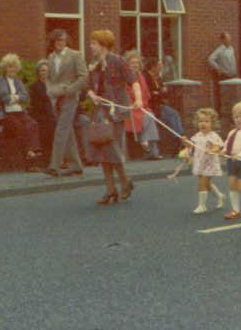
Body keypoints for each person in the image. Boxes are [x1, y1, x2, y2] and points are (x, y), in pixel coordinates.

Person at [86, 29, 142, 206]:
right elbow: (88, 86)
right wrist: (91, 95)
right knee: (102, 149)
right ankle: (112, 189)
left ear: (103, 44)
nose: (91, 46)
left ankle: (124, 183)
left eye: (94, 43)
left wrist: (138, 99)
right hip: (100, 110)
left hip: (116, 111)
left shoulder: (118, 61)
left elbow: (133, 81)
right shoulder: (94, 63)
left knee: (113, 148)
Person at [45, 28, 88, 177]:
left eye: (62, 40)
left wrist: (69, 90)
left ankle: (54, 166)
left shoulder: (75, 55)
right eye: (57, 40)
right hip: (56, 99)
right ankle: (76, 165)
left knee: (61, 130)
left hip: (70, 98)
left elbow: (83, 77)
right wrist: (50, 90)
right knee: (67, 131)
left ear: (66, 41)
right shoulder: (50, 58)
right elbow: (49, 79)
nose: (60, 43)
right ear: (53, 42)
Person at [0, 53, 42, 166]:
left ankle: (34, 150)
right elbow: (4, 98)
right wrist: (17, 97)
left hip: (19, 111)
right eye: (9, 66)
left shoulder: (18, 80)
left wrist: (14, 97)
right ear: (5, 68)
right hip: (6, 113)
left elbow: (25, 96)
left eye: (14, 66)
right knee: (19, 127)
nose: (12, 69)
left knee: (32, 124)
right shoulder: (1, 81)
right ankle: (29, 152)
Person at [184, 108, 226, 214]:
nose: (203, 124)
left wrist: (211, 150)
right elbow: (191, 145)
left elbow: (218, 147)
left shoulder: (213, 136)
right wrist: (185, 141)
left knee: (202, 183)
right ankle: (220, 196)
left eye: (206, 121)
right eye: (200, 121)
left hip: (209, 164)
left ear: (212, 123)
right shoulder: (197, 135)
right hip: (200, 162)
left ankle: (202, 206)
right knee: (206, 184)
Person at [124, 51, 161, 160]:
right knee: (148, 117)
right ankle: (150, 149)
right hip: (131, 107)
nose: (135, 65)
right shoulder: (126, 77)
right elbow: (127, 93)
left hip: (142, 106)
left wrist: (143, 102)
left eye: (137, 63)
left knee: (149, 115)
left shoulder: (141, 76)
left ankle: (148, 146)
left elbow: (146, 94)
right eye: (132, 63)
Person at [143, 58, 184, 142]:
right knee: (172, 115)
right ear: (153, 67)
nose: (161, 67)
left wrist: (158, 93)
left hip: (159, 105)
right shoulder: (145, 77)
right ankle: (179, 139)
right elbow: (149, 94)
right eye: (159, 66)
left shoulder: (158, 78)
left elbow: (165, 93)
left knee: (174, 114)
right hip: (151, 107)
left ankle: (180, 137)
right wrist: (159, 93)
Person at [28, 60, 57, 166]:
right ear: (38, 72)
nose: (45, 73)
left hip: (54, 114)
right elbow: (37, 105)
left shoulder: (54, 85)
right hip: (42, 115)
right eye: (42, 71)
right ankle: (48, 161)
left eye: (47, 71)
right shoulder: (35, 86)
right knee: (49, 127)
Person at [207, 32, 237, 111]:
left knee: (232, 95)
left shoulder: (231, 48)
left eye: (230, 38)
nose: (230, 40)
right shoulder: (220, 50)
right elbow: (210, 59)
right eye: (227, 39)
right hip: (225, 76)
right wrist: (218, 68)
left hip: (232, 76)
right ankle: (221, 112)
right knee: (223, 95)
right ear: (223, 40)